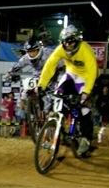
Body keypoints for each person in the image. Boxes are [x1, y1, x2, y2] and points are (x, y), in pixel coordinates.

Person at [37, 24, 98, 156]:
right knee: (59, 94)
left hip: (85, 77)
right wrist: (42, 84)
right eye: (65, 43)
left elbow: (93, 71)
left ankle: (86, 139)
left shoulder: (85, 49)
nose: (68, 45)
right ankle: (56, 121)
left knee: (84, 110)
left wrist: (86, 91)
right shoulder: (60, 49)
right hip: (70, 74)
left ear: (77, 41)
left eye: (71, 42)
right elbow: (49, 65)